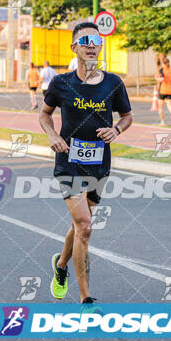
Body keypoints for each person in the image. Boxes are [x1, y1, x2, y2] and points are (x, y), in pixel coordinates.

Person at [39, 22, 132, 310]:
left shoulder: (113, 83)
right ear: (74, 47)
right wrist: (53, 135)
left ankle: (61, 264)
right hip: (69, 161)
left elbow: (127, 116)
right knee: (85, 226)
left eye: (97, 40)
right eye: (85, 40)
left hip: (99, 164)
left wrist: (116, 130)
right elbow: (45, 114)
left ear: (101, 46)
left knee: (81, 226)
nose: (92, 44)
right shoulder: (61, 83)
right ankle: (85, 298)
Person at [156, 57, 171, 126]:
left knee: (161, 107)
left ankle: (163, 121)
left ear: (163, 63)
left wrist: (156, 78)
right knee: (170, 105)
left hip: (163, 90)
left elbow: (162, 79)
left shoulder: (162, 70)